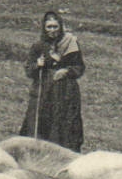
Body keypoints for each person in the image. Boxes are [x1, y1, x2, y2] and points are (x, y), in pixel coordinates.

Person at [18, 11, 83, 150]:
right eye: (49, 27)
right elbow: (29, 71)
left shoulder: (70, 43)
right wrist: (38, 65)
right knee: (39, 122)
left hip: (65, 92)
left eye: (55, 26)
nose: (52, 30)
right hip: (44, 91)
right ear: (44, 28)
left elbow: (79, 67)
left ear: (60, 27)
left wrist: (66, 70)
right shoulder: (38, 46)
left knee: (63, 124)